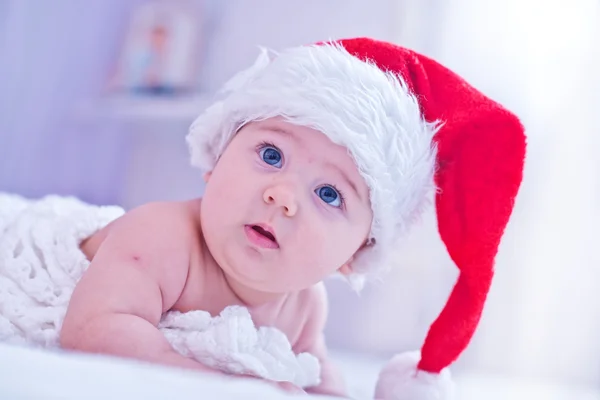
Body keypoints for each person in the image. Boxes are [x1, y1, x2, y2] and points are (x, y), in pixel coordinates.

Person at [16, 37, 527, 399]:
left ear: (354, 256)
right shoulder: (162, 238)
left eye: (329, 193)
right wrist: (224, 385)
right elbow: (93, 329)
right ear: (216, 161)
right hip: (26, 248)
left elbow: (319, 377)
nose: (283, 196)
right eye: (271, 155)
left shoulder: (305, 307)